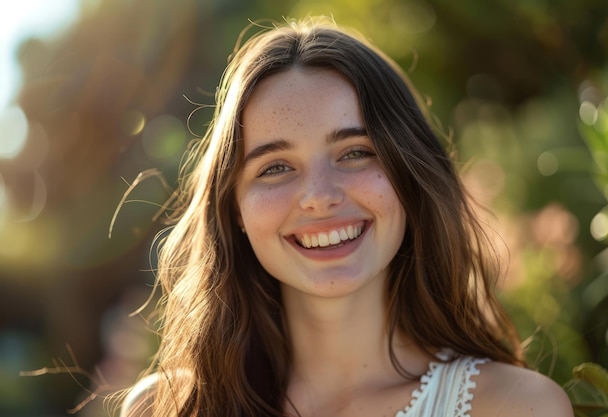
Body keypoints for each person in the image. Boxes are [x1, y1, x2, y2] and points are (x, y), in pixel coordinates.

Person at [120, 17, 574, 417]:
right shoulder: (165, 410)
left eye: (356, 153)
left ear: (410, 178)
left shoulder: (518, 407)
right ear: (233, 208)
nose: (318, 197)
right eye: (275, 167)